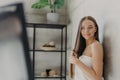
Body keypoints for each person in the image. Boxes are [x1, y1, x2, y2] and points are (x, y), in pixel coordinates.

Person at [69, 16, 104, 80]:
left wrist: (77, 62)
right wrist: (75, 60)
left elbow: (97, 78)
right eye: (83, 28)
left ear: (95, 29)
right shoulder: (84, 48)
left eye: (90, 27)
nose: (86, 31)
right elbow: (75, 75)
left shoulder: (95, 46)